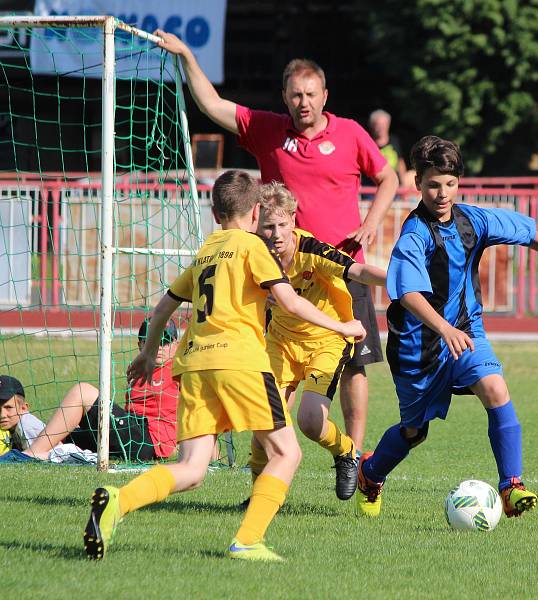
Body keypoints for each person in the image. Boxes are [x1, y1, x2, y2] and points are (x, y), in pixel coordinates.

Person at [82, 170, 365, 562]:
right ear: (255, 215)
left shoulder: (206, 252)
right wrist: (345, 325)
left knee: (193, 468)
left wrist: (148, 354)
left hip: (193, 365)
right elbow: (291, 303)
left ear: (215, 214)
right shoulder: (254, 249)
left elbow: (163, 308)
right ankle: (247, 540)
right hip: (239, 362)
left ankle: (120, 499)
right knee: (288, 454)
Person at [156, 32, 398, 454]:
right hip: (280, 271)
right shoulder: (267, 129)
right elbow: (212, 105)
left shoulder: (351, 133)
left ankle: (355, 457)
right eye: (294, 95)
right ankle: (272, 460)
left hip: (340, 265)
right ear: (284, 98)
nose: (303, 102)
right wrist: (186, 56)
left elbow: (389, 177)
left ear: (325, 94)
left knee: (356, 362)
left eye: (310, 94)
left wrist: (372, 222)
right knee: (275, 368)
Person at [355, 136, 538, 517]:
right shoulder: (414, 235)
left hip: (466, 330)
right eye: (433, 185)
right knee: (414, 431)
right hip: (417, 347)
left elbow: (530, 235)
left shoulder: (473, 220)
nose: (443, 193)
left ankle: (511, 486)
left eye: (450, 183)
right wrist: (443, 328)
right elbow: (407, 294)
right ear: (418, 184)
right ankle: (370, 473)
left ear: (459, 181)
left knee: (495, 388)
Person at [246, 182, 387, 503]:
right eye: (269, 226)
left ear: (293, 221)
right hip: (280, 343)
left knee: (310, 421)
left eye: (283, 225)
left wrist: (404, 282)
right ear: (256, 225)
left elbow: (360, 270)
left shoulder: (311, 250)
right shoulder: (253, 254)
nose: (277, 234)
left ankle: (346, 451)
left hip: (325, 342)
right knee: (262, 423)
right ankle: (259, 498)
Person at [7, 318, 180, 463]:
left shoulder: (179, 369)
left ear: (176, 345)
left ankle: (30, 455)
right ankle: (22, 445)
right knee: (63, 436)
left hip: (148, 442)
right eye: (151, 342)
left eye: (165, 342)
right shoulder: (138, 370)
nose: (158, 347)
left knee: (83, 392)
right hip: (131, 436)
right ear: (140, 345)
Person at [0, 375, 44, 456]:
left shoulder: (27, 426)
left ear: (23, 408)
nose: (2, 415)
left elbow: (35, 458)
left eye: (8, 407)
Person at [367, 109, 409, 186]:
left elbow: (400, 163)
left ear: (388, 124)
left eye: (383, 124)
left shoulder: (395, 141)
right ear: (371, 125)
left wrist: (404, 185)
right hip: (373, 188)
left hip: (395, 187)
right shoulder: (367, 143)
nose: (380, 128)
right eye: (377, 125)